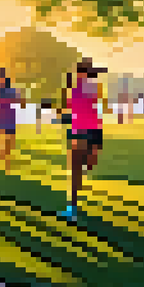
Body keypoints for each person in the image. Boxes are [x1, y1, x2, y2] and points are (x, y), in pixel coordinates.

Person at [61, 58, 108, 220]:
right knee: (79, 168)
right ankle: (73, 206)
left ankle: (72, 207)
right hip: (85, 131)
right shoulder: (88, 88)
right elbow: (69, 107)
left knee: (80, 168)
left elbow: (67, 109)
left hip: (85, 131)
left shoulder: (81, 88)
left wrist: (68, 87)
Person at [0, 75, 26, 172]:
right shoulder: (10, 91)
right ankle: (6, 155)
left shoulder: (1, 91)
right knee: (8, 137)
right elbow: (20, 102)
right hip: (7, 114)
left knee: (6, 136)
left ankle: (5, 154)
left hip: (3, 114)